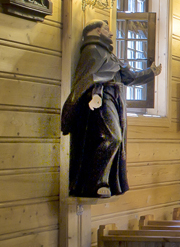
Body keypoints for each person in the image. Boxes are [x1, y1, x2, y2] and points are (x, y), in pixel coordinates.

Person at [61, 20, 161, 198]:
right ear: (97, 31)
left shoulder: (109, 54)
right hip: (101, 97)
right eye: (106, 29)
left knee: (118, 140)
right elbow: (84, 79)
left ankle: (103, 181)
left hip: (116, 98)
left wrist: (150, 72)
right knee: (113, 138)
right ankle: (94, 183)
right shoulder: (92, 51)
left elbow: (129, 77)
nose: (111, 33)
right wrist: (75, 106)